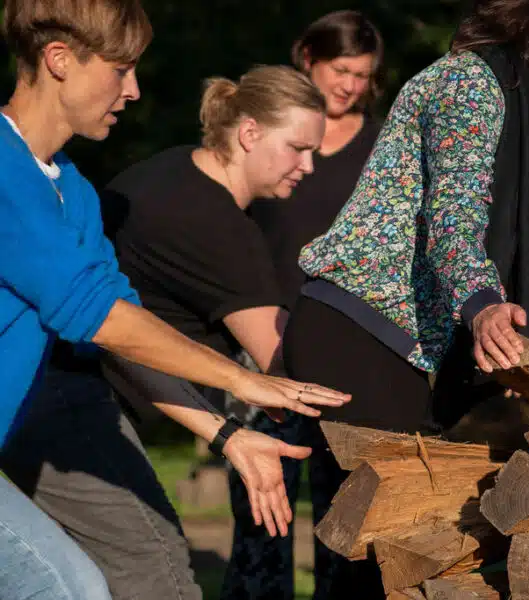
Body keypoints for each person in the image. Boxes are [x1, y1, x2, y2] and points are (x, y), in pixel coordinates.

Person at [282, 0, 529, 596]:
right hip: (359, 330)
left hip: (398, 344)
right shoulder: (469, 83)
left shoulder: (516, 99)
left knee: (390, 557)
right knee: (382, 556)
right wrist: (481, 303)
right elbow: (454, 214)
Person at [0, 2, 348, 599]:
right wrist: (244, 382)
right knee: (67, 586)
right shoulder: (5, 172)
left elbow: (122, 326)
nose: (134, 90)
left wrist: (227, 435)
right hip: (53, 414)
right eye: (121, 69)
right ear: (59, 60)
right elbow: (96, 314)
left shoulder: (74, 193)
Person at [223, 11, 384, 599]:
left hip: (348, 346)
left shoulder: (383, 145)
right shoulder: (264, 136)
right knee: (262, 507)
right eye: (341, 70)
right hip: (259, 339)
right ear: (308, 59)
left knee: (343, 512)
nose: (351, 85)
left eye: (363, 75)